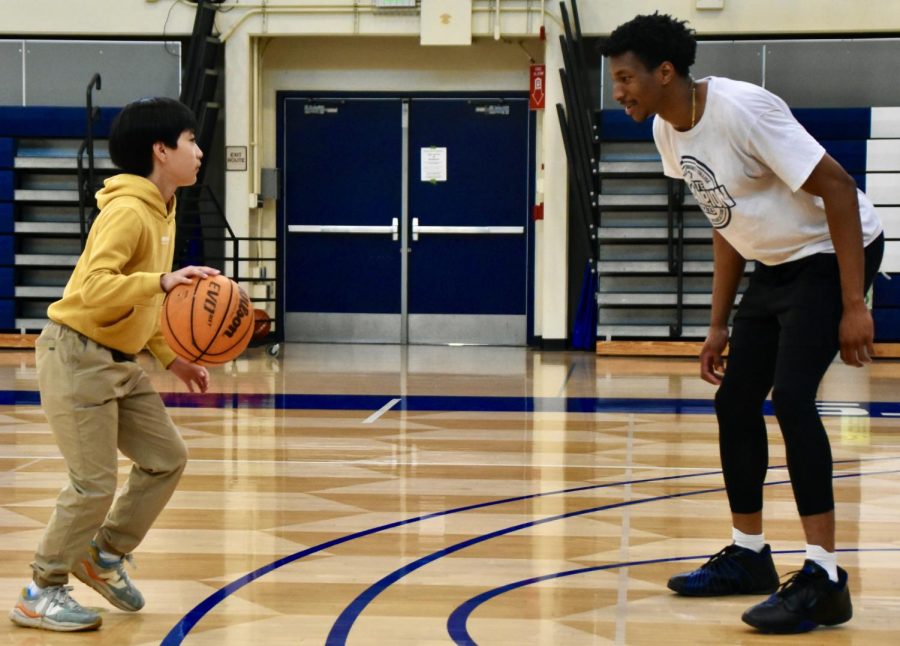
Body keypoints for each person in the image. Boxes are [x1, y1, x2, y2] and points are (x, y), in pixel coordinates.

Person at [599, 13, 883, 635]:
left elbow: (838, 187)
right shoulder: (669, 134)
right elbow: (723, 218)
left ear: (664, 72)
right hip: (776, 262)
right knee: (735, 403)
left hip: (831, 253)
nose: (617, 92)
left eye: (625, 78)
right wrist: (718, 323)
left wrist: (854, 302)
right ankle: (750, 555)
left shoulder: (742, 109)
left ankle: (824, 577)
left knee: (794, 402)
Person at [9, 97, 220, 632]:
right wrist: (162, 282)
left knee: (167, 457)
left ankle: (103, 556)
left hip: (119, 363)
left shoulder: (163, 209)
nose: (199, 151)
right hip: (77, 355)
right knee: (93, 484)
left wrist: (175, 360)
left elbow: (143, 305)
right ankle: (41, 591)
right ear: (161, 149)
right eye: (191, 140)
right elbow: (95, 288)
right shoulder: (128, 211)